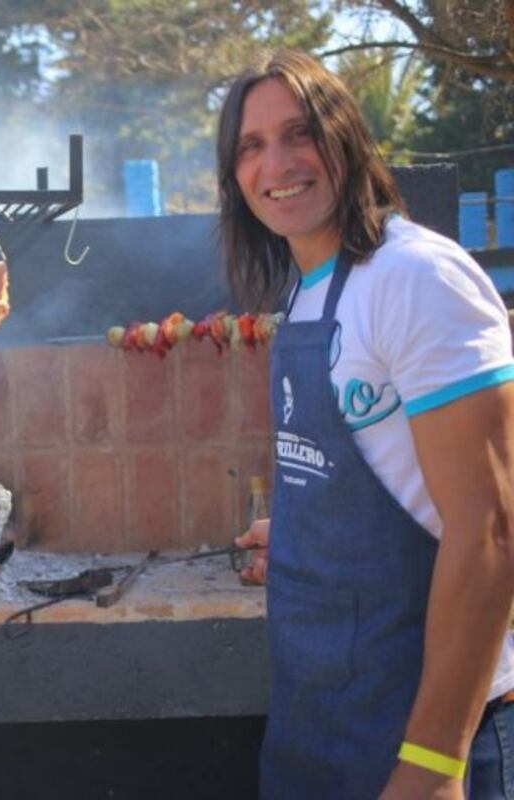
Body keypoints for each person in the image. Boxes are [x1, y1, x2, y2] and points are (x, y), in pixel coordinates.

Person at [219, 50, 514, 799]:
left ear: (345, 139)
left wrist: (434, 764)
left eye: (298, 133)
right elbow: (393, 478)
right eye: (250, 146)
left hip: (427, 730)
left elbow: (490, 527)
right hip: (323, 723)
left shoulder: (416, 277)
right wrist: (311, 534)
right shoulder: (307, 289)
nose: (276, 163)